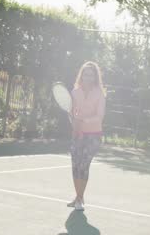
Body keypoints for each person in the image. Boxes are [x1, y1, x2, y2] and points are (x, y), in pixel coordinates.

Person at [67, 61, 106, 211]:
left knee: (84, 165)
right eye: (85, 74)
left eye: (91, 75)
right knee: (75, 166)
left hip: (93, 135)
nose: (88, 77)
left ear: (95, 77)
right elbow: (70, 112)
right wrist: (74, 123)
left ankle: (80, 199)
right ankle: (78, 197)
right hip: (77, 134)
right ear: (81, 75)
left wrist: (83, 121)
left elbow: (100, 116)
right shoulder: (74, 92)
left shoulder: (100, 94)